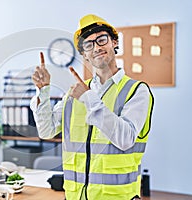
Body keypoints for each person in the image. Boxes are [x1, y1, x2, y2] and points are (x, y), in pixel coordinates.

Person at [30, 14, 154, 200]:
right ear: (85, 55)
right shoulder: (74, 93)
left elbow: (126, 139)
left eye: (101, 40)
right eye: (88, 45)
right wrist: (43, 92)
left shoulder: (137, 91)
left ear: (114, 42)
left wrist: (88, 98)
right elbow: (46, 131)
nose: (96, 47)